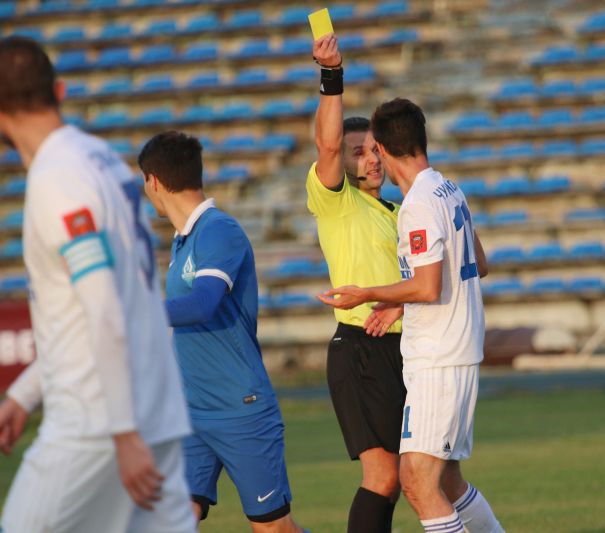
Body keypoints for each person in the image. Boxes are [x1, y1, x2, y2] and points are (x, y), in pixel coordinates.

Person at [0, 37, 195, 532]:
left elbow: (104, 306)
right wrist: (25, 393)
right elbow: (115, 303)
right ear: (59, 91)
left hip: (97, 424)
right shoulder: (101, 158)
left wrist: (122, 432)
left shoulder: (57, 178)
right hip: (155, 410)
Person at [319, 97, 503, 533]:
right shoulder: (448, 189)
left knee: (416, 483)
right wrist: (399, 302)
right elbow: (478, 263)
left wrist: (367, 293)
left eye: (372, 149)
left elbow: (427, 286)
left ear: (384, 148)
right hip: (451, 350)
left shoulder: (416, 204)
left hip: (438, 357)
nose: (370, 158)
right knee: (445, 481)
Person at [137, 131, 306, 532]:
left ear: (153, 181)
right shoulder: (183, 241)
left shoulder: (218, 230)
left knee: (272, 527)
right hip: (191, 411)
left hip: (239, 407)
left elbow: (203, 304)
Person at [305, 34, 408, 532]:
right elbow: (326, 144)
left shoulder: (399, 211)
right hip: (361, 349)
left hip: (405, 348)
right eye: (358, 152)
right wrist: (332, 75)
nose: (371, 159)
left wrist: (402, 305)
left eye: (375, 149)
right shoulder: (337, 201)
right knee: (383, 476)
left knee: (403, 479)